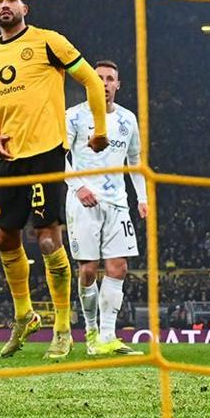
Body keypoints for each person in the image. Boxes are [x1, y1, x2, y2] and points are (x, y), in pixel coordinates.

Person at [0, 0, 106, 361]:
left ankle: (63, 328)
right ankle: (25, 316)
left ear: (24, 8)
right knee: (4, 238)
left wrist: (100, 130)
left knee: (47, 240)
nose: (4, 4)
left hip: (47, 152)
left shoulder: (49, 42)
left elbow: (92, 81)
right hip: (10, 157)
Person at [66, 60, 147, 357]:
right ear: (88, 83)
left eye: (109, 78)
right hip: (83, 201)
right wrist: (79, 187)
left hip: (117, 203)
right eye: (97, 78)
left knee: (118, 267)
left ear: (117, 84)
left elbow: (136, 161)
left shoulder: (128, 119)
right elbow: (58, 158)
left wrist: (143, 198)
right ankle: (90, 332)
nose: (103, 83)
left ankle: (109, 336)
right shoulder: (73, 117)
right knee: (88, 270)